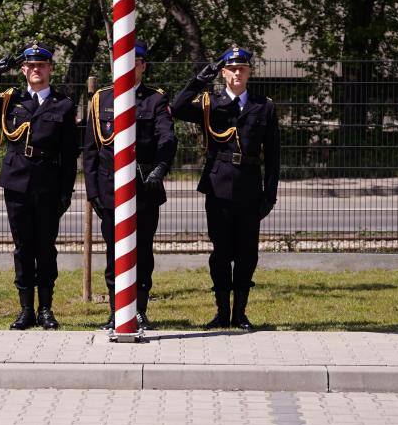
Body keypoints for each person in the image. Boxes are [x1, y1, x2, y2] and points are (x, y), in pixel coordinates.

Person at [0, 44, 79, 329]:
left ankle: (47, 309)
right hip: (17, 182)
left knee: (46, 248)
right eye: (30, 65)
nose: (36, 70)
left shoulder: (63, 105)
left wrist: (66, 191)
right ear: (23, 70)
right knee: (23, 247)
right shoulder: (10, 101)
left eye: (42, 65)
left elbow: (69, 154)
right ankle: (26, 309)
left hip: (48, 184)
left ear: (51, 68)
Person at [171, 45, 280, 330]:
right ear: (223, 72)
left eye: (242, 68)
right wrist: (201, 78)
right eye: (231, 69)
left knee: (247, 253)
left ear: (250, 72)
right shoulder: (211, 102)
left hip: (249, 188)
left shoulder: (263, 106)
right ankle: (221, 312)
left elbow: (274, 155)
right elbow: (177, 107)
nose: (237, 73)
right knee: (220, 252)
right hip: (218, 186)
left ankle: (240, 313)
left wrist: (270, 194)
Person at [82, 42, 177, 331]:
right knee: (114, 254)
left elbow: (167, 139)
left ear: (143, 66)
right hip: (110, 192)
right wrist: (93, 194)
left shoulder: (154, 100)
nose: (127, 66)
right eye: (122, 60)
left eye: (134, 61)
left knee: (143, 253)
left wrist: (160, 169)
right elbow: (90, 151)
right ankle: (115, 311)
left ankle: (140, 311)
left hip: (144, 190)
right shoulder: (101, 100)